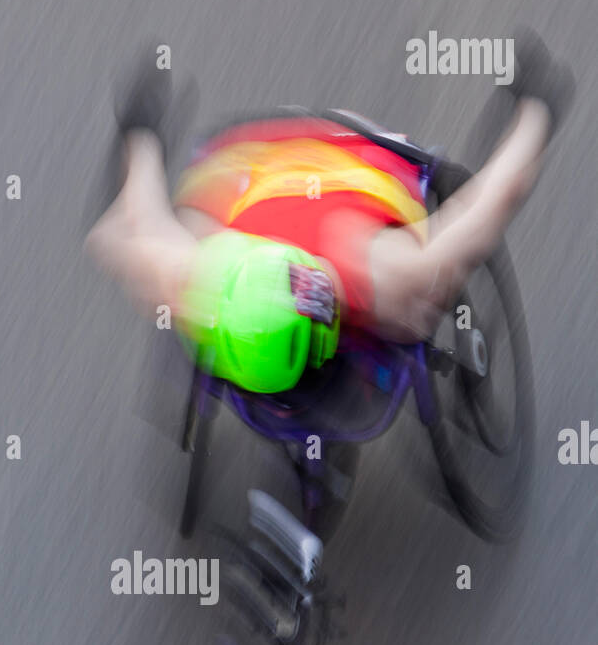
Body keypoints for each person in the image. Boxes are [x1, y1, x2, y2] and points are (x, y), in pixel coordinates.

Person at [85, 32, 573, 398]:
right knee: (424, 288)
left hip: (342, 163)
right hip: (260, 174)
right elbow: (486, 210)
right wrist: (536, 111)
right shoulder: (195, 280)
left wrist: (537, 113)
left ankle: (140, 137)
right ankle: (141, 137)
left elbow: (119, 234)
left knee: (417, 308)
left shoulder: (195, 279)